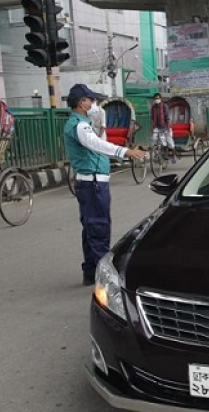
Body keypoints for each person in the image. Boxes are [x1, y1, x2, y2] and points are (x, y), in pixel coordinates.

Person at [63, 84, 147, 286]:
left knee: (91, 230)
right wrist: (125, 152)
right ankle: (109, 281)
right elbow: (96, 144)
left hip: (91, 183)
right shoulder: (79, 125)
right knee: (99, 229)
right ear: (82, 102)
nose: (93, 104)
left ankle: (91, 272)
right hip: (92, 185)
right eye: (91, 100)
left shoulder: (82, 122)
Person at [151, 93, 179, 163]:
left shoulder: (164, 106)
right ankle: (160, 154)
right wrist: (152, 128)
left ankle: (174, 156)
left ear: (160, 99)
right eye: (155, 99)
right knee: (156, 140)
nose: (156, 100)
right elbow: (152, 118)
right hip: (157, 127)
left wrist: (168, 127)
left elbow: (168, 118)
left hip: (166, 127)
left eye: (157, 98)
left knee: (170, 143)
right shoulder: (153, 107)